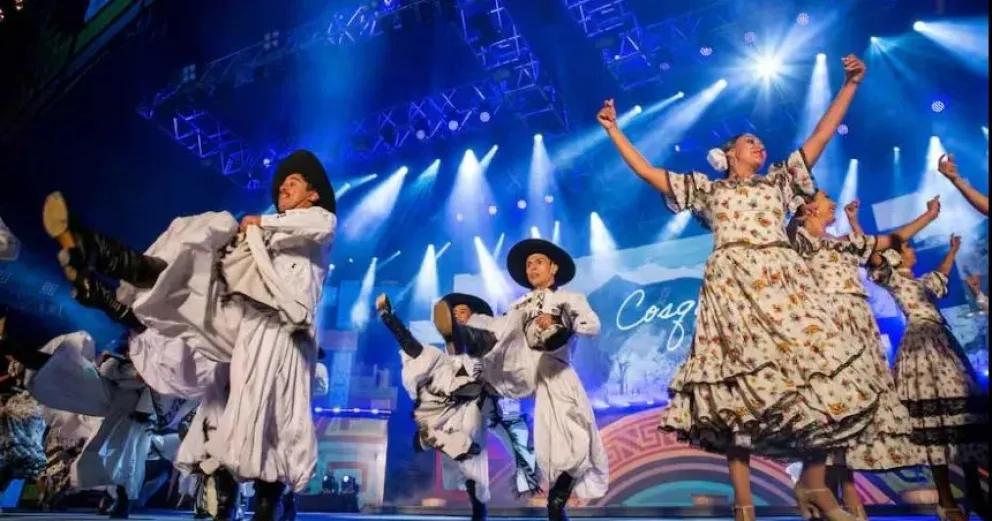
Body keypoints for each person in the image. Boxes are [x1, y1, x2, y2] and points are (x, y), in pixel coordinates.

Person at [601, 54, 877, 521]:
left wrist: (849, 85)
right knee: (738, 387)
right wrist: (613, 129)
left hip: (783, 283)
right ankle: (746, 501)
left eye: (762, 143)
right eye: (751, 141)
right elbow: (648, 173)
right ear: (729, 153)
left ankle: (813, 484)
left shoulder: (779, 184)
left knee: (818, 371)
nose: (760, 146)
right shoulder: (708, 190)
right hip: (733, 287)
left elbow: (820, 137)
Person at [41, 149, 336, 520]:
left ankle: (268, 504)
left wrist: (260, 222)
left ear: (313, 194)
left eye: (294, 183)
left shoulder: (317, 224)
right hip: (248, 325)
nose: (283, 188)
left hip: (285, 333)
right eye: (281, 185)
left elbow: (317, 225)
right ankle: (97, 250)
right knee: (188, 285)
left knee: (274, 423)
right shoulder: (268, 237)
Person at [788, 194, 941, 519]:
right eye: (825, 198)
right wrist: (797, 211)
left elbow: (891, 239)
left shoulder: (846, 243)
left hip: (860, 326)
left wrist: (928, 217)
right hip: (828, 326)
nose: (832, 202)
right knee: (834, 407)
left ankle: (847, 494)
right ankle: (820, 489)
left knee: (856, 411)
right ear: (807, 208)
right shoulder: (801, 240)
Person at [436, 238, 608, 521]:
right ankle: (460, 335)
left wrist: (561, 326)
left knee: (575, 441)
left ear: (553, 268)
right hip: (527, 373)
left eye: (538, 262)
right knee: (547, 446)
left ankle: (557, 502)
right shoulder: (519, 305)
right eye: (529, 264)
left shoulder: (569, 298)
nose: (532, 268)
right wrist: (471, 324)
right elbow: (500, 330)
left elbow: (591, 325)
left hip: (558, 374)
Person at [376, 291, 541, 521]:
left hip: (489, 402)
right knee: (467, 446)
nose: (458, 315)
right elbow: (411, 345)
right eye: (454, 312)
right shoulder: (443, 355)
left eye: (463, 311)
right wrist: (389, 317)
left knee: (512, 442)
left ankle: (524, 475)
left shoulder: (486, 341)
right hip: (460, 404)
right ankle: (478, 503)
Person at [868, 235, 989, 521]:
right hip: (921, 346)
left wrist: (953, 251)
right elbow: (872, 255)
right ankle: (946, 500)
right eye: (907, 247)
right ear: (897, 256)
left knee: (962, 415)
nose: (913, 251)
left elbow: (942, 273)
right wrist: (859, 227)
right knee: (933, 420)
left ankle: (974, 492)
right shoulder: (896, 279)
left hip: (943, 342)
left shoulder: (924, 283)